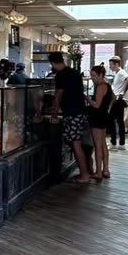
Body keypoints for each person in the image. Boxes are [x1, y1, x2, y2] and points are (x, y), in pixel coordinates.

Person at [49, 51, 90, 184]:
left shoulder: (60, 75)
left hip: (72, 113)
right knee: (79, 143)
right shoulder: (75, 72)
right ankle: (88, 170)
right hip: (81, 111)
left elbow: (58, 95)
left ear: (53, 63)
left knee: (76, 144)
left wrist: (54, 115)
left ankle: (84, 175)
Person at [86, 65, 113, 180]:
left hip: (97, 117)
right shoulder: (107, 85)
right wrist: (107, 109)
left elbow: (96, 105)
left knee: (97, 146)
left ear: (101, 75)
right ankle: (105, 170)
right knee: (103, 145)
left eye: (94, 75)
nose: (92, 78)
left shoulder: (100, 86)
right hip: (103, 116)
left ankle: (98, 172)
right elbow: (114, 98)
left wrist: (86, 98)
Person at [107, 56, 128, 149]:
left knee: (112, 120)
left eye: (111, 65)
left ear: (116, 64)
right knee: (119, 121)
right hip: (118, 100)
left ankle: (114, 142)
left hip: (118, 100)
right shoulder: (118, 73)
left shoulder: (121, 72)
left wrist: (122, 93)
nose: (110, 67)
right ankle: (120, 143)